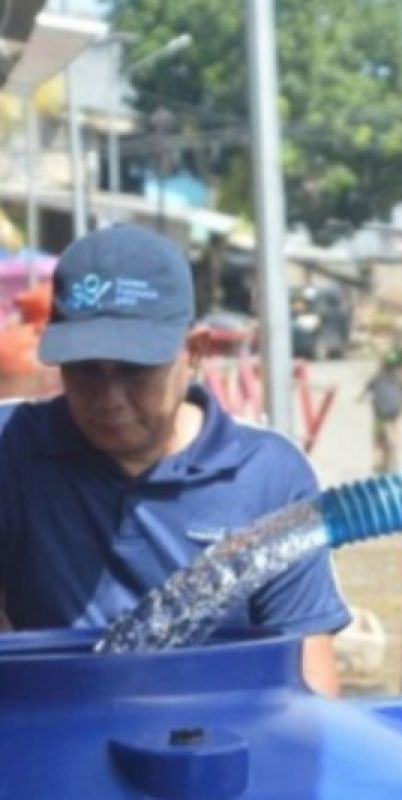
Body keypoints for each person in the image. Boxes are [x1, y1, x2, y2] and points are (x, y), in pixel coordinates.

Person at [0, 224, 350, 695]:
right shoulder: (13, 451)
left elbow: (310, 685)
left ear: (196, 351)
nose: (110, 399)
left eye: (135, 371)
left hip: (220, 747)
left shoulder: (269, 478)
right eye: (85, 370)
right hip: (51, 737)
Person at [360, 347, 402, 473]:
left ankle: (378, 461)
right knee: (397, 423)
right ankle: (396, 441)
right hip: (394, 412)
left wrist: (360, 398)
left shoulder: (377, 377)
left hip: (380, 414)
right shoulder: (400, 379)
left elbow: (367, 389)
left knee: (377, 439)